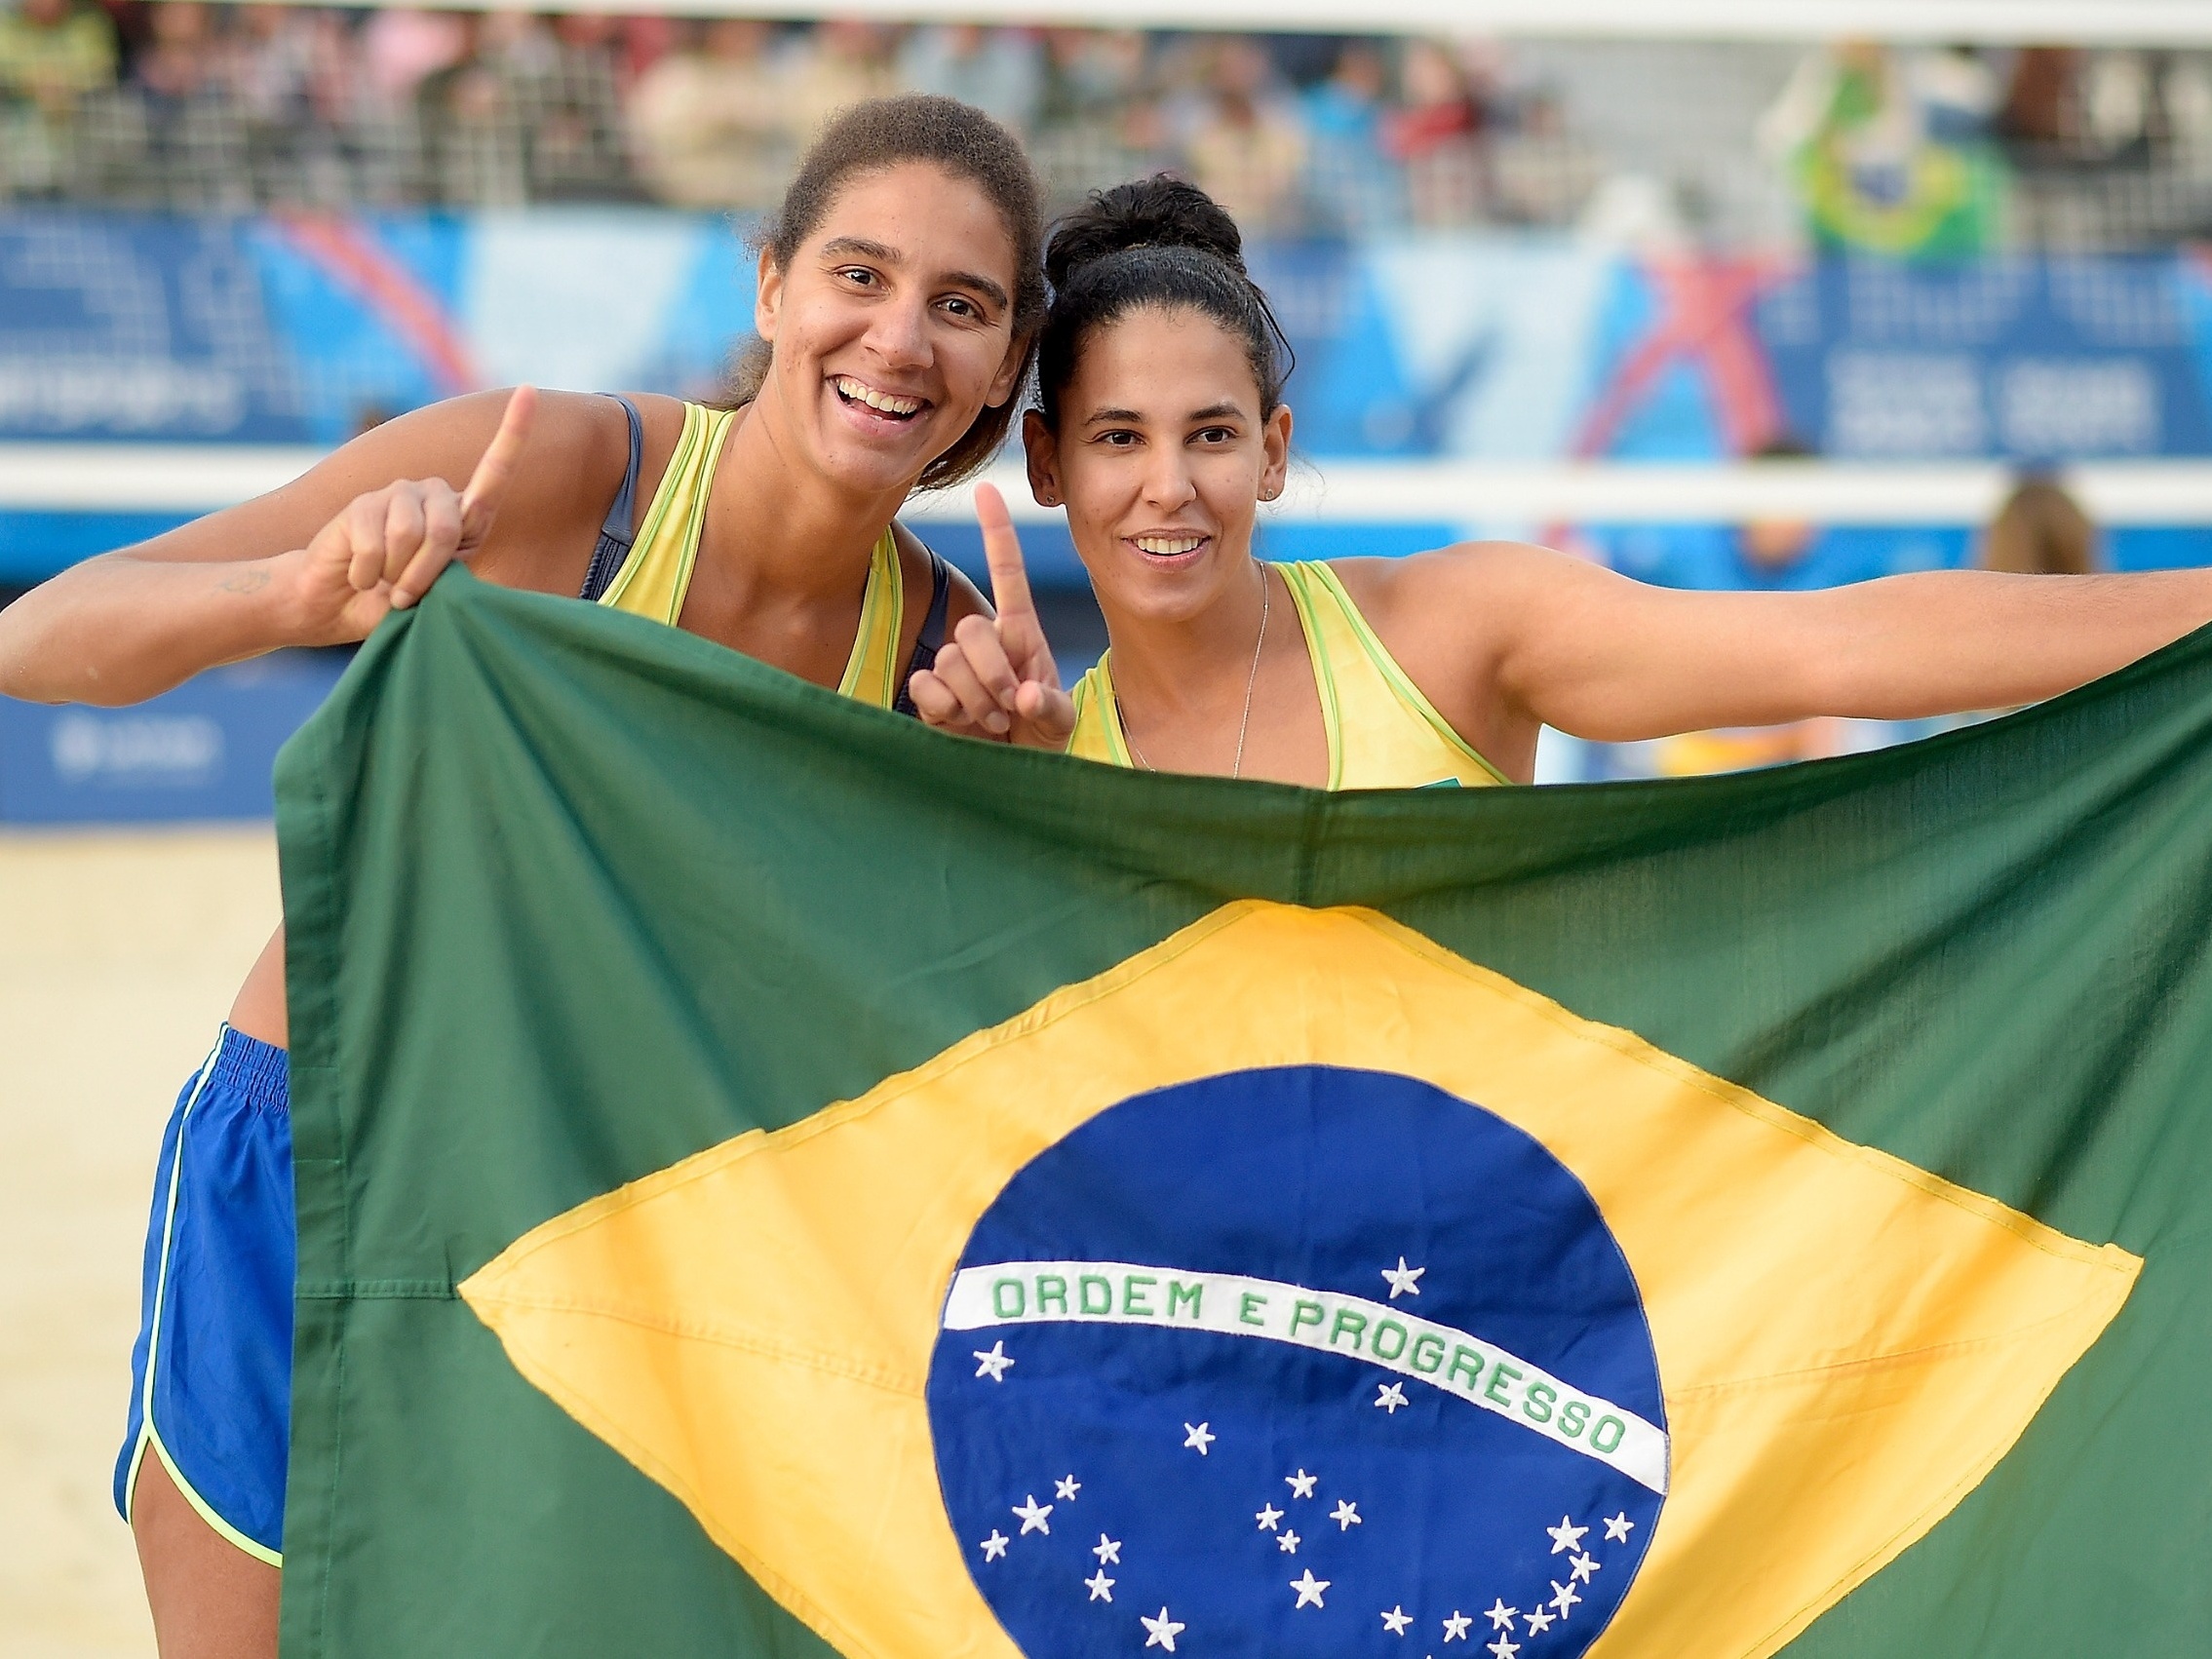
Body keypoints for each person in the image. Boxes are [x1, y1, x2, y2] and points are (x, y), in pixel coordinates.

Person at [0, 94, 1045, 1659]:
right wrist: (297, 591)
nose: (900, 338)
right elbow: (41, 638)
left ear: (1008, 360)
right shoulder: (558, 474)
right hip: (328, 1160)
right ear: (771, 287)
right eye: (860, 274)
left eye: (960, 306)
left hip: (600, 1236)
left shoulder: (945, 661)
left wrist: (1004, 794)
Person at [909, 174, 2212, 792]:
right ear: (1046, 463)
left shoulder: (1448, 632)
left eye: (1209, 434)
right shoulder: (1040, 746)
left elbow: (1837, 644)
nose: (1167, 487)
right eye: (1117, 438)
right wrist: (1014, 803)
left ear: (1276, 449)